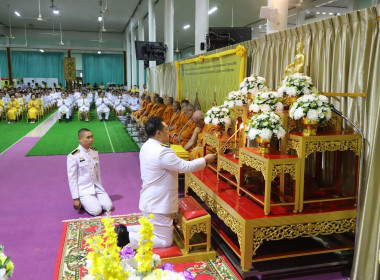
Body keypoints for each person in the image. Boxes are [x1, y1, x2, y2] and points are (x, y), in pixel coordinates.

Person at [126, 116, 216, 249]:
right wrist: (205, 160)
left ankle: (125, 230)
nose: (169, 132)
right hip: (158, 204)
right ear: (158, 133)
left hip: (149, 200)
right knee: (165, 241)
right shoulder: (162, 152)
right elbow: (186, 167)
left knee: (150, 230)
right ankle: (127, 238)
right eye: (167, 130)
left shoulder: (146, 145)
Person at [67, 128, 113, 216]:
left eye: (92, 137)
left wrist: (101, 188)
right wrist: (75, 198)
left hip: (96, 186)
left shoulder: (94, 151)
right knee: (96, 211)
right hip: (84, 189)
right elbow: (72, 178)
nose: (91, 139)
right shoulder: (73, 156)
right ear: (80, 139)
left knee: (108, 207)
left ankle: (93, 199)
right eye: (88, 137)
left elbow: (97, 172)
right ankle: (84, 201)